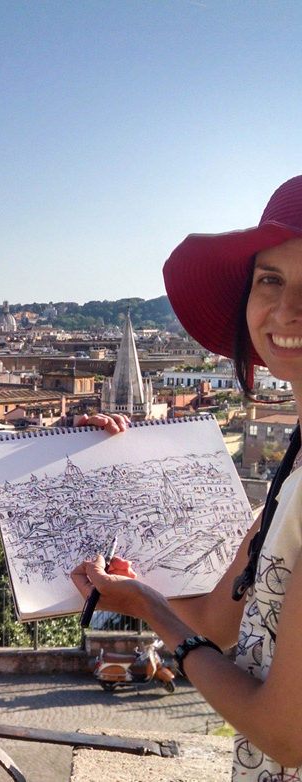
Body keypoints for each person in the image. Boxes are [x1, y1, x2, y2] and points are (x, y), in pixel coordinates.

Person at [72, 175, 302, 781]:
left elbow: (286, 735)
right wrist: (128, 471)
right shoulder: (294, 467)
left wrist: (152, 610)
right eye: (270, 280)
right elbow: (218, 622)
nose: (286, 311)